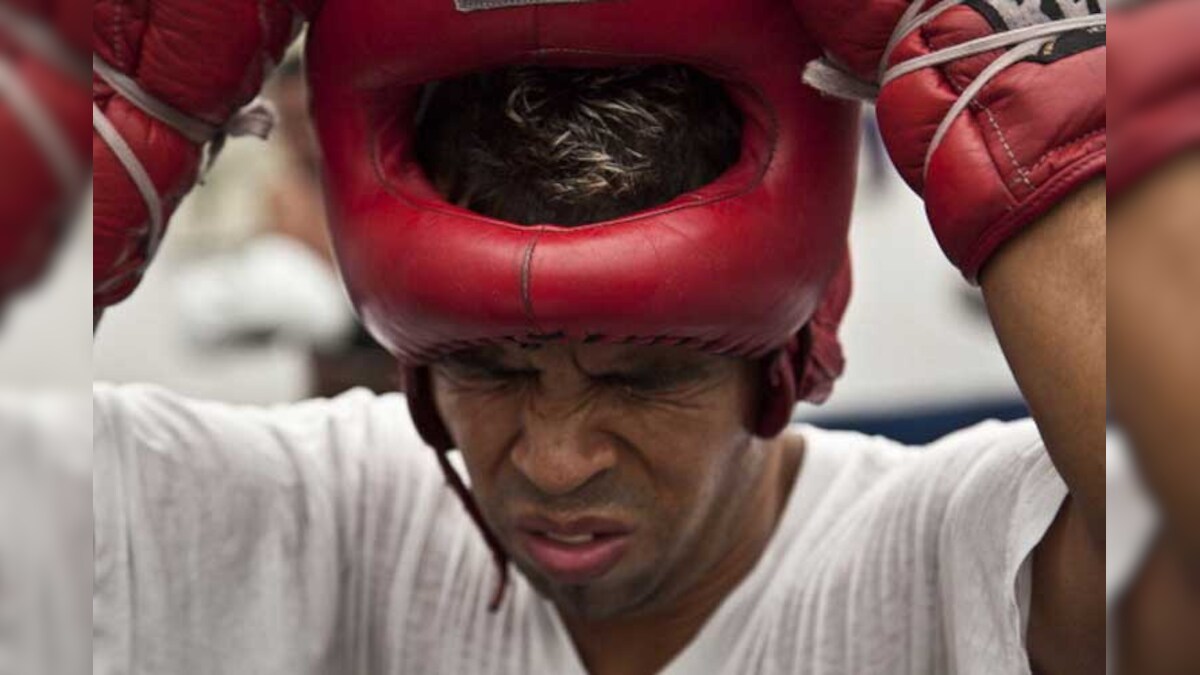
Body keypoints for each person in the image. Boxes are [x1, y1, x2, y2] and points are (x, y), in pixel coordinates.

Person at [0, 1, 1185, 674]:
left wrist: (1020, 83)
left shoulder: (936, 567)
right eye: (492, 367)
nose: (557, 460)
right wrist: (78, 138)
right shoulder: (321, 529)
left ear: (787, 353)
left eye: (650, 374)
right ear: (411, 354)